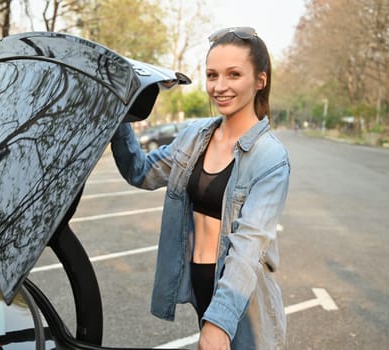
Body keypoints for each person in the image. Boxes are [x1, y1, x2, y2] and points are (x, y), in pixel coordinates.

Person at [111, 27, 290, 349]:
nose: (219, 87)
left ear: (260, 80)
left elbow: (250, 245)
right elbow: (139, 172)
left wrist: (219, 321)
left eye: (234, 74)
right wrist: (121, 107)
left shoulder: (270, 157)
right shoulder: (195, 136)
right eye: (212, 75)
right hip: (199, 281)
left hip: (242, 296)